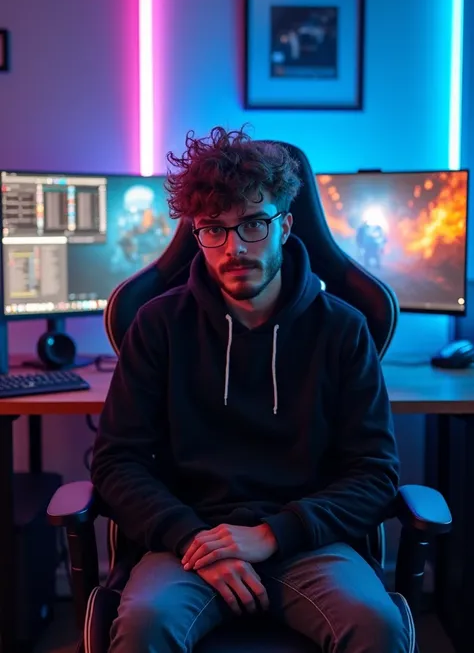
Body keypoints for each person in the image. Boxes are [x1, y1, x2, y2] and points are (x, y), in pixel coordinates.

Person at [91, 126, 410, 653]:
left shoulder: (342, 329)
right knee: (146, 625)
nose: (234, 248)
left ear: (285, 226)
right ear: (196, 233)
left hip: (307, 542)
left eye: (253, 225)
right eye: (213, 229)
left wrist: (271, 535)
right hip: (189, 544)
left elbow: (374, 472)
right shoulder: (158, 325)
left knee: (374, 626)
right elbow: (116, 462)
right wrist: (194, 540)